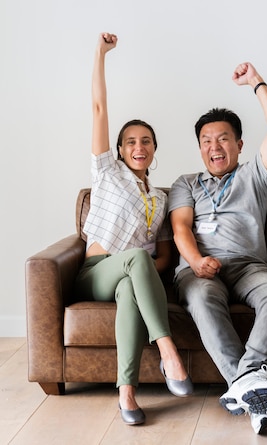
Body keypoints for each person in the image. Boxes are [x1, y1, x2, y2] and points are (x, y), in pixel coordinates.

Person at [74, 32, 193, 426]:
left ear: (154, 150)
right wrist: (100, 54)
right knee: (134, 261)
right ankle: (168, 352)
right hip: (96, 273)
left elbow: (162, 254)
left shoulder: (160, 198)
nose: (138, 147)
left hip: (129, 275)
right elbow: (97, 108)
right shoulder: (107, 173)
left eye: (146, 141)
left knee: (132, 285)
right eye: (130, 142)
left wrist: (143, 274)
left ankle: (126, 393)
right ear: (121, 150)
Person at [168, 62, 267, 435]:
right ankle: (255, 393)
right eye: (206, 140)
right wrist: (195, 260)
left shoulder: (255, 175)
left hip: (248, 265)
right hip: (197, 267)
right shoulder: (186, 182)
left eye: (223, 138)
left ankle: (246, 380)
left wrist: (256, 82)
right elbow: (180, 227)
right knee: (203, 298)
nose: (214, 146)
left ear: (239, 145)